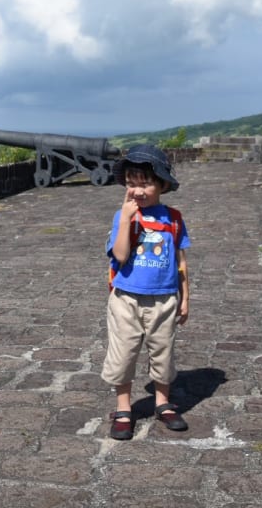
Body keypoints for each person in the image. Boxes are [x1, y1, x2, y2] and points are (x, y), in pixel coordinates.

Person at [102, 144, 191, 440]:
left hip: (164, 297)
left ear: (162, 184)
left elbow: (180, 261)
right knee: (123, 354)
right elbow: (121, 255)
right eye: (131, 184)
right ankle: (124, 407)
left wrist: (185, 296)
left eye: (145, 183)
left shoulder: (173, 218)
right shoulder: (122, 217)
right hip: (126, 297)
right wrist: (126, 219)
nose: (138, 191)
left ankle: (163, 403)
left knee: (163, 353)